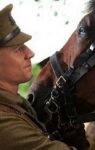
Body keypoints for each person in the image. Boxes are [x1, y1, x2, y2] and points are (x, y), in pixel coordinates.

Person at [0, 4, 88, 150]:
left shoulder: (17, 106)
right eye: (18, 49)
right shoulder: (4, 122)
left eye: (25, 46)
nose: (30, 53)